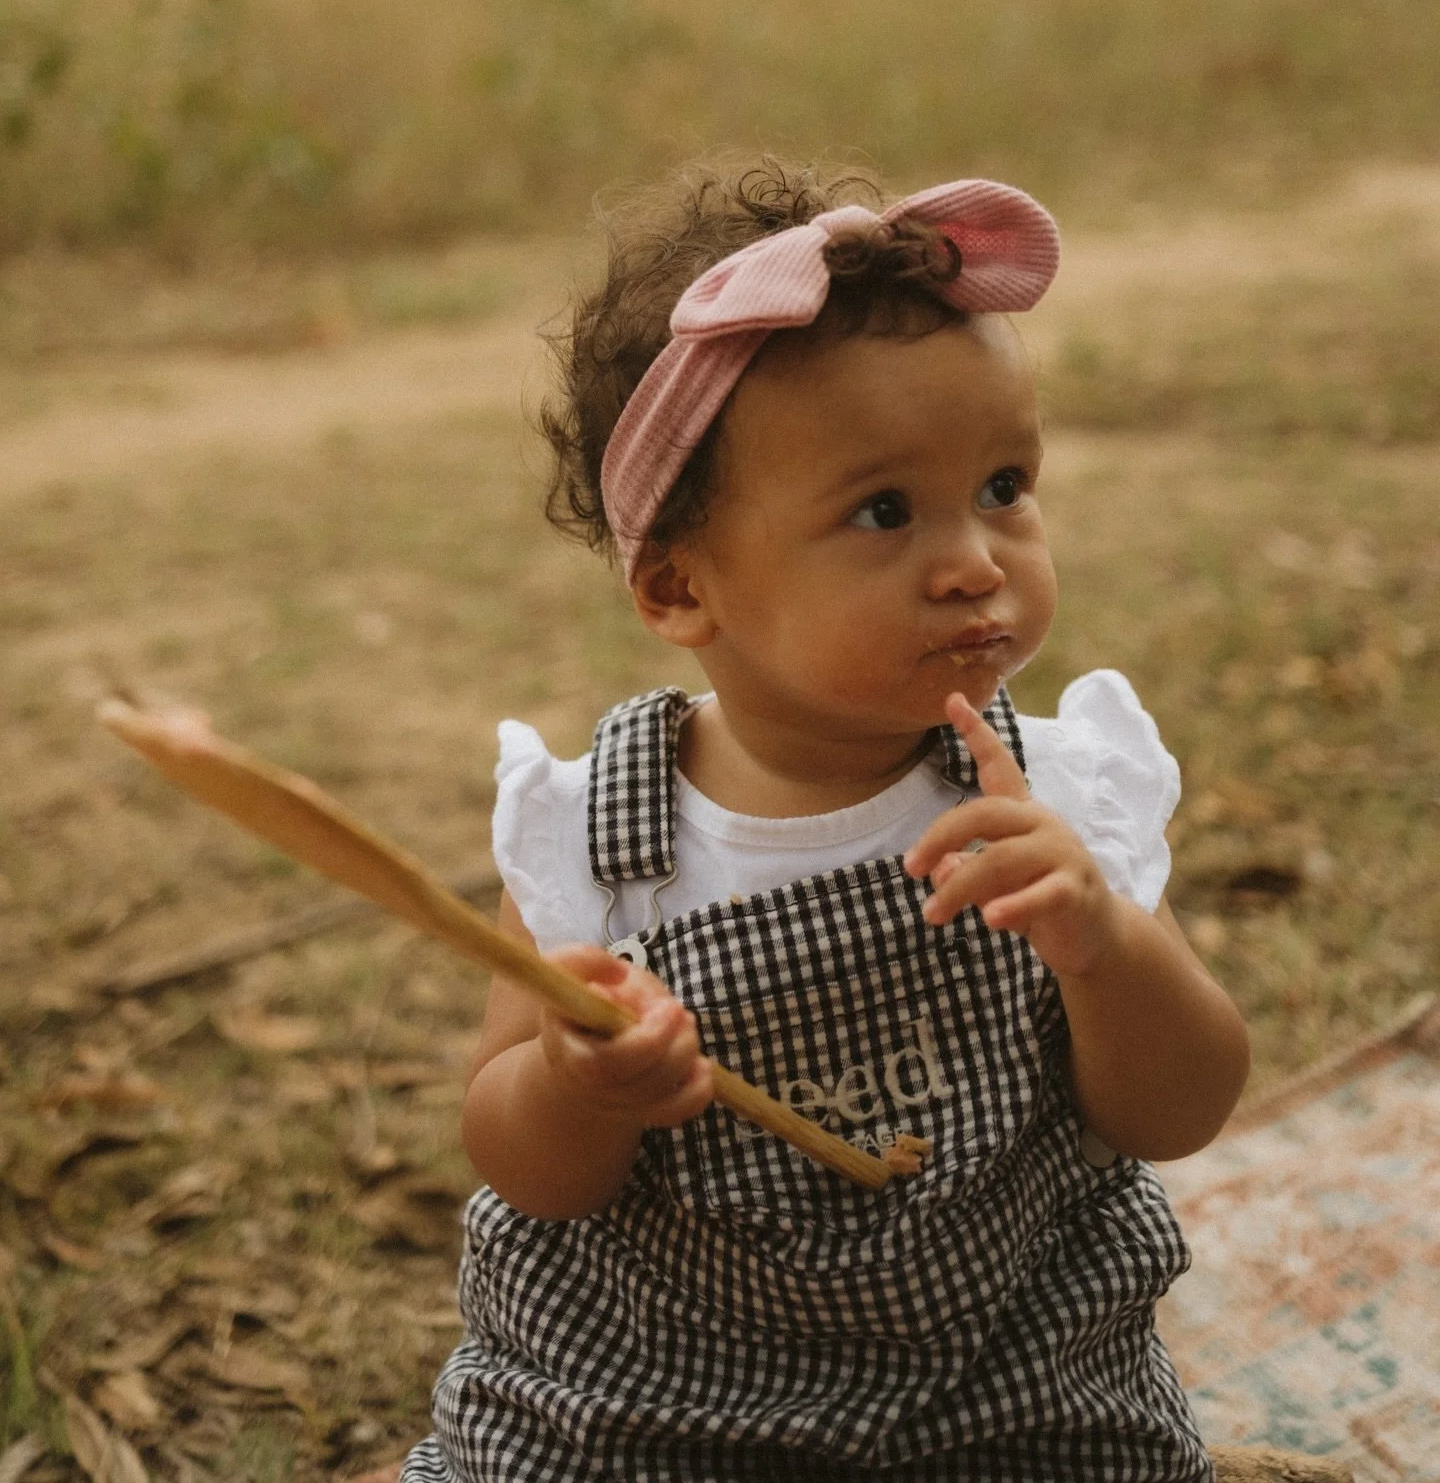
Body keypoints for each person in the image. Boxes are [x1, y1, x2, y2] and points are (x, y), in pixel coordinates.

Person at [398, 160, 1250, 1482]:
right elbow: (528, 1173)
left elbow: (1181, 1107)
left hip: (1011, 1385)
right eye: (883, 511)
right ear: (682, 587)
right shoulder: (598, 838)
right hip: (654, 1401)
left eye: (1006, 486)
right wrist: (579, 1082)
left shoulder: (1062, 796)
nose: (976, 558)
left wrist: (1105, 945)